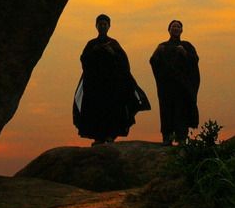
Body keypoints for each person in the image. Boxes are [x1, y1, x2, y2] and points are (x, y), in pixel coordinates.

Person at [73, 14, 149, 145]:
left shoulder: (114, 44)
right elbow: (84, 60)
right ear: (96, 26)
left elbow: (124, 63)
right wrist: (94, 52)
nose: (102, 26)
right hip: (95, 86)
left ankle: (110, 135)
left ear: (109, 26)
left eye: (105, 24)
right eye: (100, 24)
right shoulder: (91, 44)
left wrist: (112, 52)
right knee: (95, 110)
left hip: (111, 86)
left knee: (112, 110)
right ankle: (98, 137)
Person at [149, 19, 200, 145]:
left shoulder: (186, 46)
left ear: (181, 30)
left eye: (178, 26)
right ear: (169, 29)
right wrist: (156, 52)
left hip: (182, 87)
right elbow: (154, 62)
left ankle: (182, 138)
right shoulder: (162, 46)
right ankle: (167, 137)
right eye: (173, 26)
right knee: (166, 111)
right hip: (166, 87)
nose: (176, 28)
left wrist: (185, 53)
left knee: (181, 111)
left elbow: (194, 61)